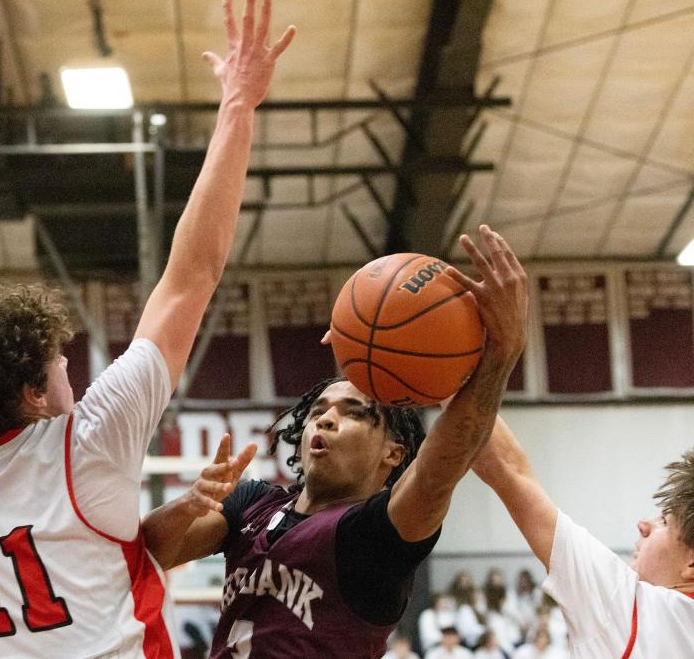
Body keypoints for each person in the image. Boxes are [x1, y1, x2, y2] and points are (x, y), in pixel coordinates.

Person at [0, 0, 294, 658]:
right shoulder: (87, 442)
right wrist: (238, 108)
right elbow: (191, 276)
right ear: (31, 394)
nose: (69, 362)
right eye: (55, 359)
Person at [141, 226, 530, 658]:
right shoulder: (252, 503)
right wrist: (190, 503)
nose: (326, 419)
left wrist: (499, 352)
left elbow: (443, 463)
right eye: (318, 410)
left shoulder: (375, 534)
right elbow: (149, 551)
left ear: (393, 452)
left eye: (354, 413)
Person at [472, 417, 694, 657]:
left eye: (664, 521)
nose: (643, 525)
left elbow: (506, 468)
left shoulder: (631, 609)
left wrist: (458, 382)